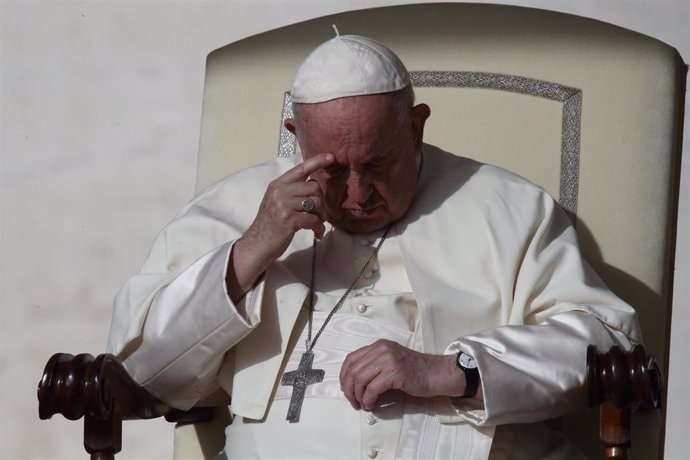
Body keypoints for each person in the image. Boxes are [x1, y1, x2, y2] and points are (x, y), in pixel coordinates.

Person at [107, 33, 640, 459]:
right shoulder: (235, 207)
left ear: (416, 127)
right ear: (294, 134)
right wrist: (251, 250)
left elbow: (608, 345)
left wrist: (451, 371)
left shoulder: (509, 207)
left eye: (378, 164)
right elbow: (147, 371)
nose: (357, 193)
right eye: (334, 169)